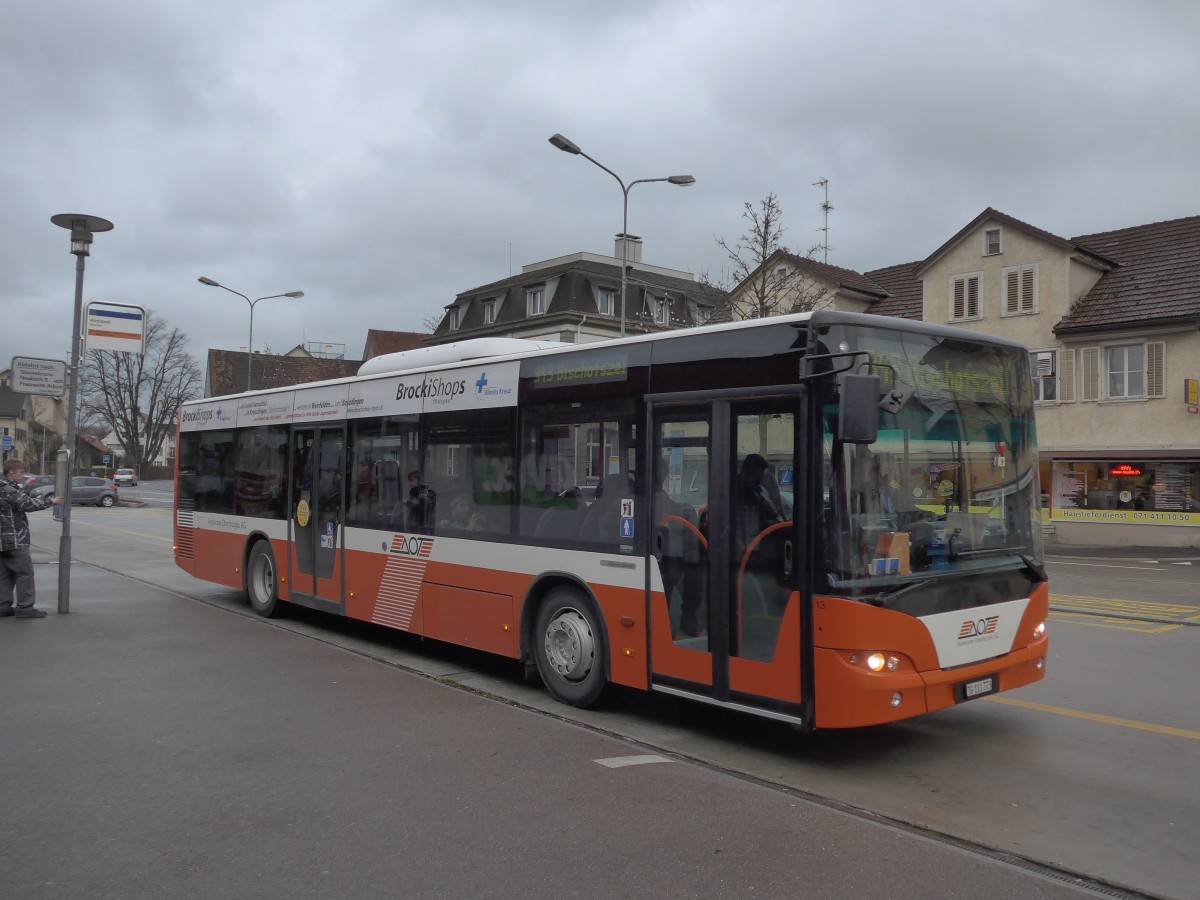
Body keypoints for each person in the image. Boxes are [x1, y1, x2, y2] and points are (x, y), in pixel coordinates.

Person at [1, 459, 63, 619]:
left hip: (2, 541)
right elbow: (27, 504)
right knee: (24, 573)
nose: (23, 476)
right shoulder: (7, 489)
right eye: (21, 473)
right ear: (11, 472)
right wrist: (51, 501)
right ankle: (25, 608)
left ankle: (3, 606)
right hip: (14, 539)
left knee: (5, 574)